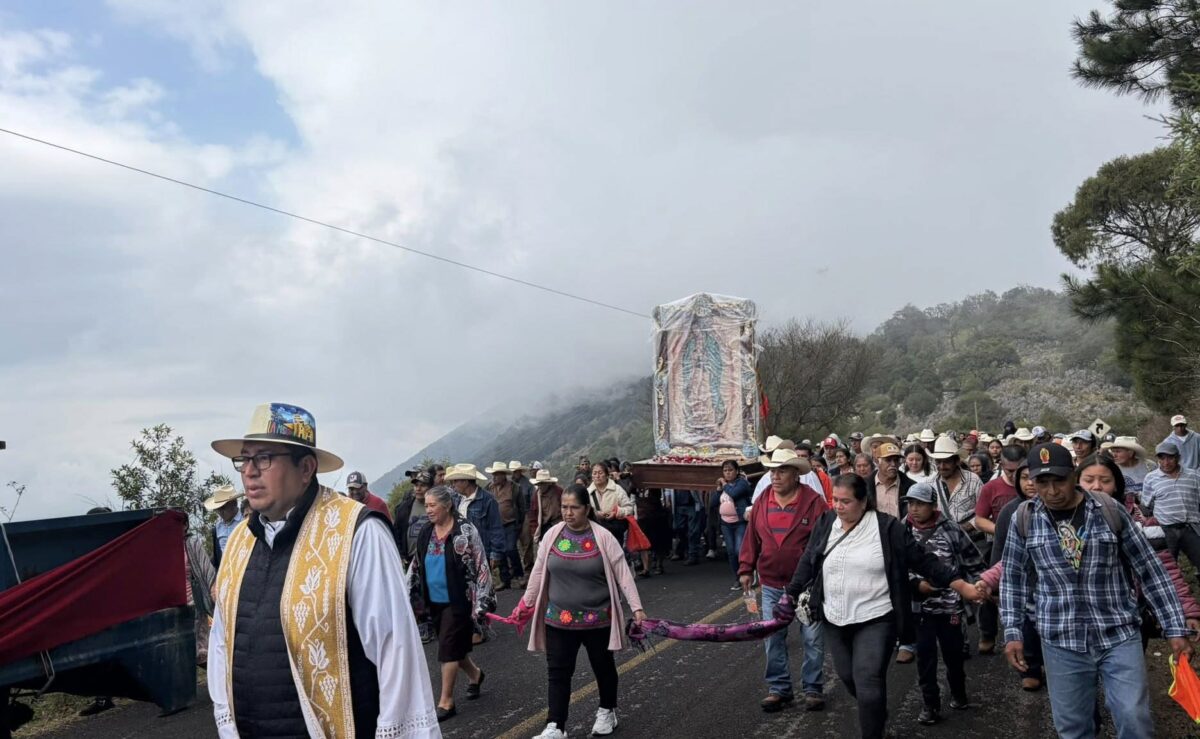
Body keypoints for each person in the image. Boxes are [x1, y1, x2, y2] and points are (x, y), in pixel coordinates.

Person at [207, 402, 438, 738]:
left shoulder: (355, 532)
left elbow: (395, 650)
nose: (249, 471)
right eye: (244, 459)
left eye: (265, 458)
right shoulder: (240, 540)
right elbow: (222, 643)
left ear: (306, 468)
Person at [999, 443, 1192, 739]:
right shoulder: (1024, 519)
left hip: (1118, 635)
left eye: (1059, 481)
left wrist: (1174, 627)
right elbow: (1013, 577)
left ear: (1073, 476)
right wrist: (1012, 631)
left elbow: (1149, 569)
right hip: (1061, 641)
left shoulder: (1108, 509)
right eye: (1042, 482)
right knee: (1074, 728)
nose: (1051, 491)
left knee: (1134, 718)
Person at [786, 475, 982, 739]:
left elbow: (924, 561)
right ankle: (876, 711)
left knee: (868, 681)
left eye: (846, 501)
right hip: (834, 617)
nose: (838, 506)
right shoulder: (826, 523)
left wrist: (961, 585)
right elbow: (809, 561)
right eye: (835, 500)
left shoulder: (888, 529)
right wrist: (789, 595)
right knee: (849, 678)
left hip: (876, 618)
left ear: (864, 501)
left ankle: (874, 730)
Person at [519, 485, 646, 739]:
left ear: (586, 509)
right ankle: (556, 725)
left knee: (602, 666)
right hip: (559, 619)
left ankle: (607, 710)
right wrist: (526, 604)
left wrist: (637, 608)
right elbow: (538, 571)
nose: (568, 512)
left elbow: (623, 574)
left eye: (574, 507)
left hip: (597, 620)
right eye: (564, 507)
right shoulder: (552, 535)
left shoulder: (603, 537)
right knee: (557, 671)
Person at [738, 448, 829, 713]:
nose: (775, 476)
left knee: (812, 637)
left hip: (806, 587)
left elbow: (824, 543)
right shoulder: (763, 500)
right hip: (770, 583)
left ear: (796, 474)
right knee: (773, 638)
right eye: (772, 471)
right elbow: (751, 539)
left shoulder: (814, 503)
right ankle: (779, 689)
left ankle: (813, 688)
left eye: (782, 471)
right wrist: (745, 568)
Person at [902, 483, 986, 726]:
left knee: (954, 655)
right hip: (920, 608)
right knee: (925, 658)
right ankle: (930, 705)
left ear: (933, 505)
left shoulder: (951, 530)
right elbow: (896, 566)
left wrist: (981, 586)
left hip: (950, 606)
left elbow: (972, 561)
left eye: (920, 504)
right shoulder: (901, 530)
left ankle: (958, 693)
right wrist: (917, 585)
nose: (914, 509)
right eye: (911, 503)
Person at [408, 485, 494, 722]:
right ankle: (475, 675)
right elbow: (415, 564)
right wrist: (407, 592)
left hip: (459, 600)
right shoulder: (426, 531)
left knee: (447, 646)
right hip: (434, 600)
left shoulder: (464, 530)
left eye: (432, 505)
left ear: (446, 505)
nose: (428, 510)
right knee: (455, 645)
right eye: (426, 505)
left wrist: (483, 600)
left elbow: (480, 563)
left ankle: (446, 701)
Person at [972, 444, 1025, 654]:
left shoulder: (1031, 485)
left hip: (1028, 544)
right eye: (1009, 470)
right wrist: (1003, 530)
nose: (1013, 476)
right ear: (1001, 465)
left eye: (1018, 470)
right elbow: (979, 519)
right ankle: (988, 632)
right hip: (999, 545)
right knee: (990, 588)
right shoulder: (991, 488)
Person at [445, 463, 506, 589]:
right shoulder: (456, 499)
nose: (454, 484)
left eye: (456, 481)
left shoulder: (487, 500)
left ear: (465, 482)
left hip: (481, 551)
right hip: (459, 551)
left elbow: (495, 527)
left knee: (481, 587)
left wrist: (495, 553)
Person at [1141, 441, 1200, 571]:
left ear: (1178, 457)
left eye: (1170, 457)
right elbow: (1146, 505)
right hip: (1165, 530)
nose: (1166, 462)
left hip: (1191, 528)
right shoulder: (1151, 478)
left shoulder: (1194, 476)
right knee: (1166, 568)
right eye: (1162, 458)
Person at [929, 437, 983, 545]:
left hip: (972, 541)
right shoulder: (930, 484)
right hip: (942, 543)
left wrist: (968, 526)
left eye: (946, 462)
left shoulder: (973, 480)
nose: (942, 466)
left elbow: (985, 511)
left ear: (956, 461)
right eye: (938, 462)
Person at [484, 462, 526, 591]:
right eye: (493, 474)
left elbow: (521, 507)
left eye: (497, 474)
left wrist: (519, 523)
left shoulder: (514, 488)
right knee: (499, 551)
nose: (494, 477)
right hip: (496, 526)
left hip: (511, 524)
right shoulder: (489, 488)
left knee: (511, 549)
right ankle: (505, 579)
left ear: (504, 475)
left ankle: (519, 575)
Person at [715, 459, 751, 590]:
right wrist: (719, 489)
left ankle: (746, 573)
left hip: (739, 522)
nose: (727, 473)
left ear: (737, 471)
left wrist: (724, 484)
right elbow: (714, 503)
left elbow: (734, 493)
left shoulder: (742, 483)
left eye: (730, 470)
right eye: (725, 471)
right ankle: (737, 577)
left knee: (739, 550)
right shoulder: (724, 487)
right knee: (730, 552)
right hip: (726, 523)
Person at [587, 462, 634, 548]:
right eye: (594, 473)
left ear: (606, 475)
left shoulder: (617, 489)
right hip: (596, 532)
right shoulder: (588, 493)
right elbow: (584, 511)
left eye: (600, 473)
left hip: (615, 530)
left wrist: (616, 513)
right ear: (592, 476)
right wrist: (596, 514)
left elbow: (629, 508)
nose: (597, 476)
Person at [394, 470, 435, 566]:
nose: (418, 489)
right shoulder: (404, 508)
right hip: (410, 560)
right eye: (416, 485)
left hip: (432, 558)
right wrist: (401, 555)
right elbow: (396, 532)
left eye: (422, 485)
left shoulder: (438, 506)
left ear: (431, 488)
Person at [204, 484, 244, 570]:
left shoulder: (245, 521)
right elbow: (217, 555)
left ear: (234, 503)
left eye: (223, 508)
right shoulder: (217, 528)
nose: (220, 512)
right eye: (218, 509)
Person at [511, 461, 538, 573]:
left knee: (526, 543)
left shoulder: (528, 485)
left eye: (516, 471)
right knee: (511, 544)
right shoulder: (509, 484)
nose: (515, 473)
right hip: (513, 515)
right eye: (513, 471)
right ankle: (515, 571)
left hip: (526, 514)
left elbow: (532, 502)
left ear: (520, 471)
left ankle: (528, 570)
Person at [528, 469, 564, 541]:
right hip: (545, 526)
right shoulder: (536, 497)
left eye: (543, 483)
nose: (540, 486)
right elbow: (533, 516)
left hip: (559, 524)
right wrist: (534, 531)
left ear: (548, 483)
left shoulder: (558, 492)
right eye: (539, 484)